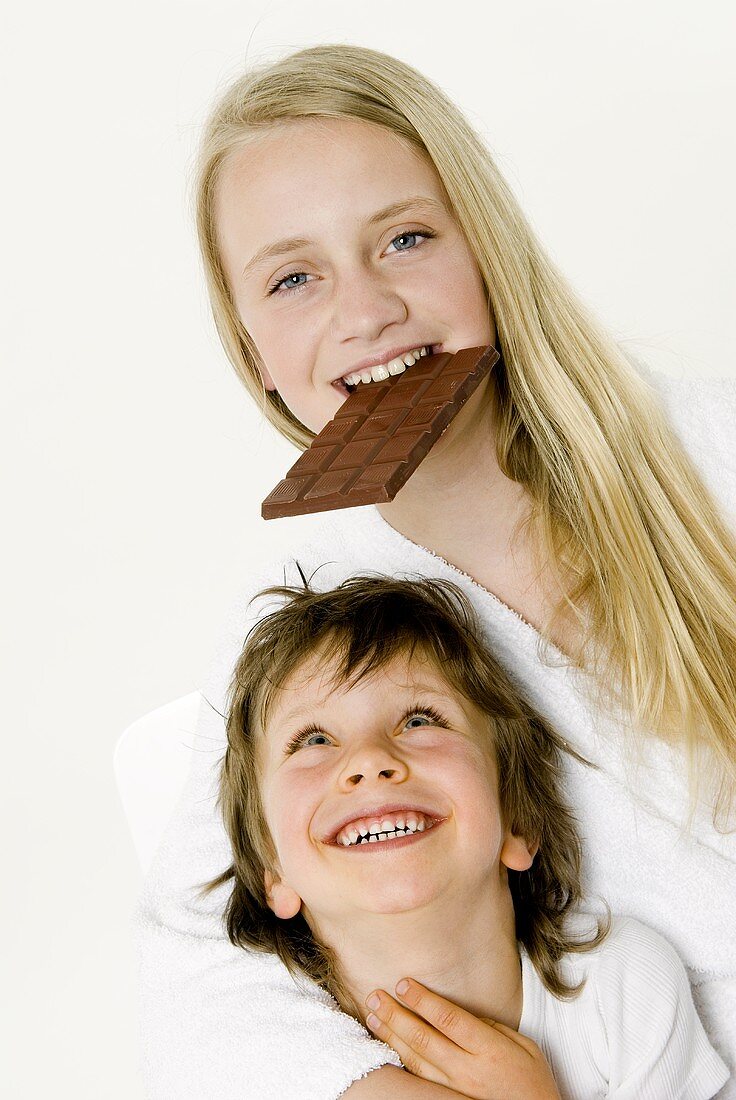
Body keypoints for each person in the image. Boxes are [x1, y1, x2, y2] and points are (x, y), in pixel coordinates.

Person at [136, 44, 736, 1099]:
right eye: (293, 277)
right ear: (250, 342)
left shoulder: (712, 456)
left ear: (487, 245)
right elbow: (192, 970)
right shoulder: (323, 635)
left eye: (405, 238)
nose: (362, 312)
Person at [208, 572, 728, 1100]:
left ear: (518, 820)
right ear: (271, 870)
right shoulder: (266, 1051)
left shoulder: (624, 987)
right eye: (313, 739)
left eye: (418, 720)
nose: (368, 760)